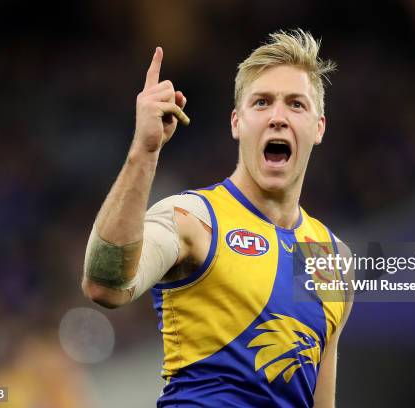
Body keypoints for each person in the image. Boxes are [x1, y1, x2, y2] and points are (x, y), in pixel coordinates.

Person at [82, 29, 353, 407]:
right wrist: (144, 152)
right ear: (236, 123)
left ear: (318, 127)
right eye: (261, 103)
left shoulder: (331, 258)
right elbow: (105, 284)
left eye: (295, 104)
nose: (277, 116)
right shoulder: (192, 218)